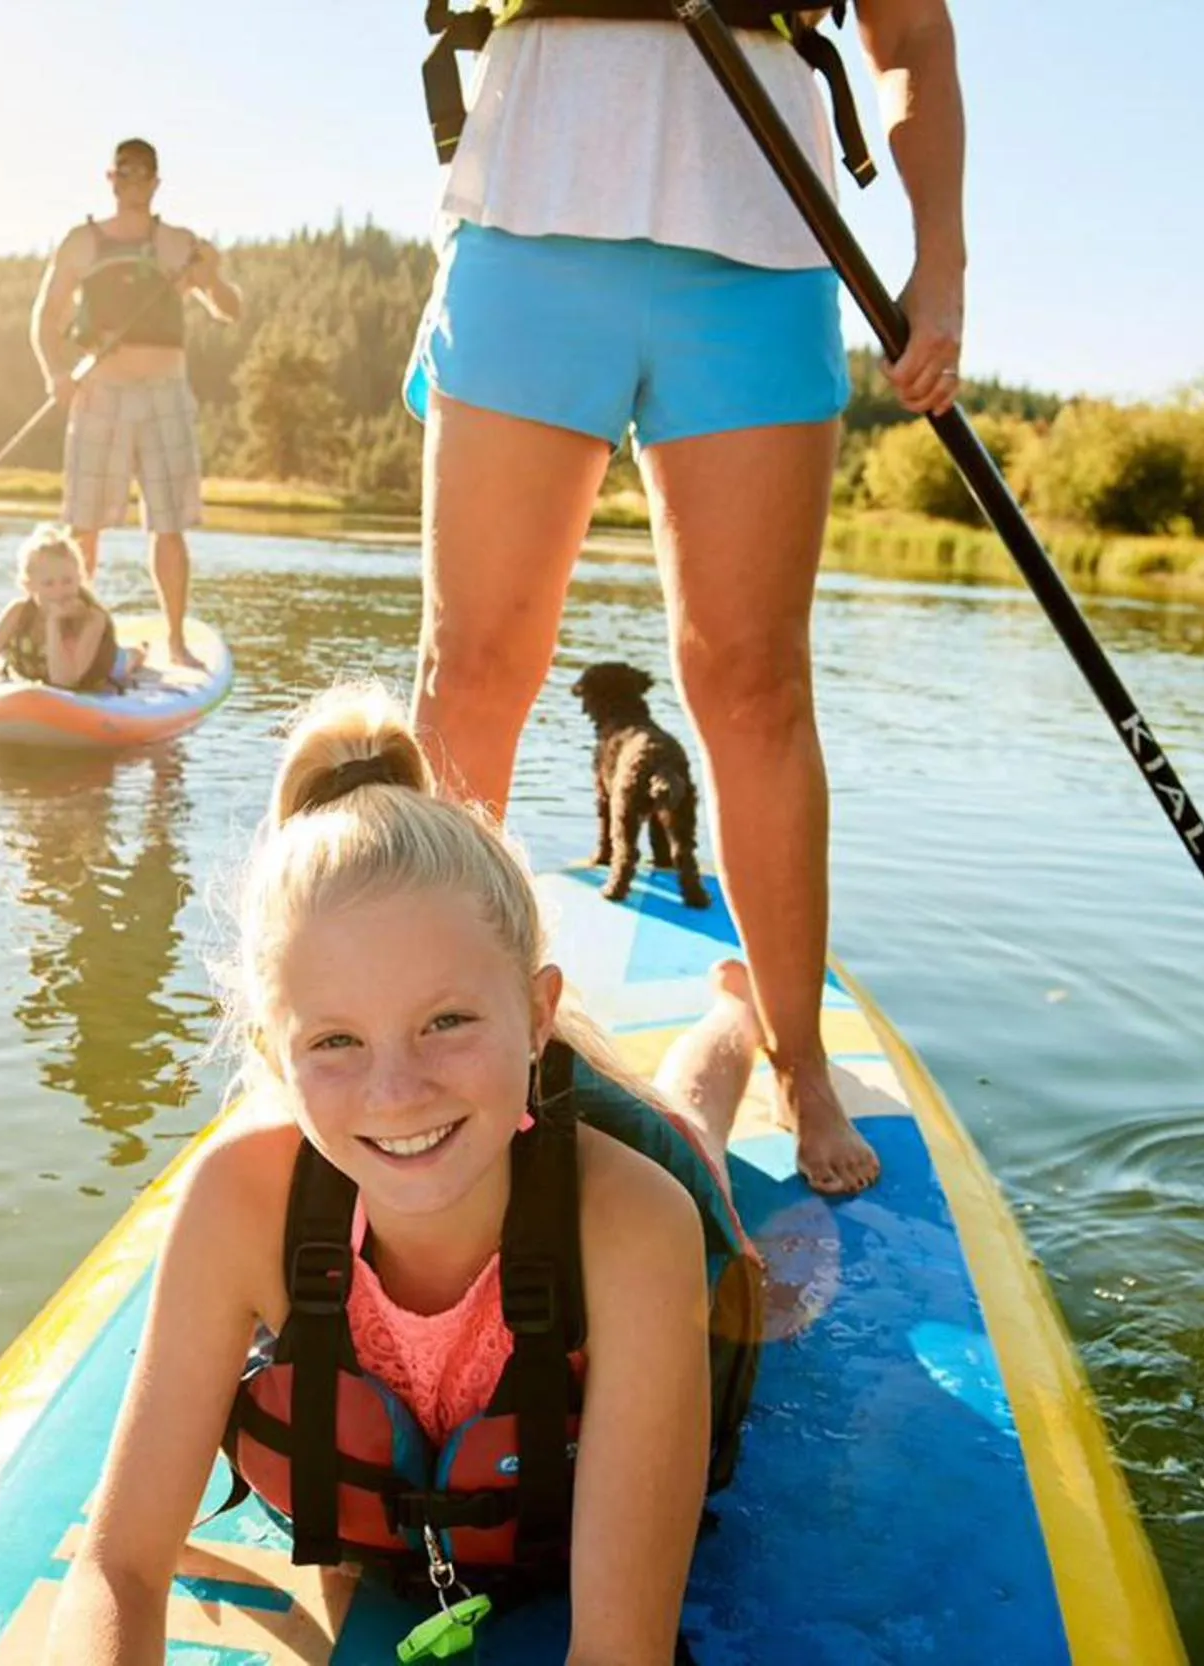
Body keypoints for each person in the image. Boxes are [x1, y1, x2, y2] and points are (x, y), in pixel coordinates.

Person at [48, 684, 769, 1662]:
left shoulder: (636, 1222)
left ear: (537, 1011)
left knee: (697, 1125)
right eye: (337, 1039)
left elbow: (619, 1652)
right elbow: (119, 1565)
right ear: (274, 1050)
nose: (396, 1092)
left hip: (637, 1152)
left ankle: (738, 1015)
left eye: (447, 1021)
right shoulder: (239, 1204)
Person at [404, 0, 968, 1196]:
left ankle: (797, 1053)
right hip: (528, 211)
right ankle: (422, 1035)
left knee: (752, 681)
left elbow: (911, 40)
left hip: (758, 244)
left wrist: (943, 260)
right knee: (477, 666)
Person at [32, 137, 244, 671]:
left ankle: (174, 642)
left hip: (164, 395)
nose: (133, 181)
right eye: (123, 173)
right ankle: (71, 640)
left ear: (155, 181)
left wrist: (213, 275)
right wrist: (55, 373)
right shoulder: (82, 242)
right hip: (98, 392)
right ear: (110, 178)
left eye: (143, 173)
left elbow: (230, 310)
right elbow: (46, 319)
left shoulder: (177, 245)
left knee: (168, 524)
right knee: (85, 524)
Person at [0, 524, 137, 693]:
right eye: (48, 583)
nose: (59, 591)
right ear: (29, 586)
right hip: (37, 683)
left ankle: (136, 653)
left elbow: (64, 682)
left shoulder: (92, 618)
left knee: (122, 664)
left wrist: (54, 622)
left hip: (92, 672)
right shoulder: (18, 612)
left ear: (80, 578)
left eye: (67, 581)